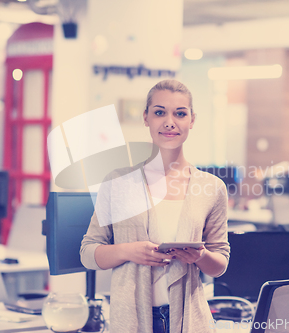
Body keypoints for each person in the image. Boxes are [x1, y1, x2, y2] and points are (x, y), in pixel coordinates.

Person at [80, 79, 230, 333]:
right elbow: (88, 253)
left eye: (180, 113)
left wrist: (200, 256)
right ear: (146, 117)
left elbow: (220, 263)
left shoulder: (212, 188)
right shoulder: (118, 182)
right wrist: (129, 251)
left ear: (192, 120)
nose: (169, 121)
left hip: (190, 320)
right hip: (132, 319)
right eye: (160, 112)